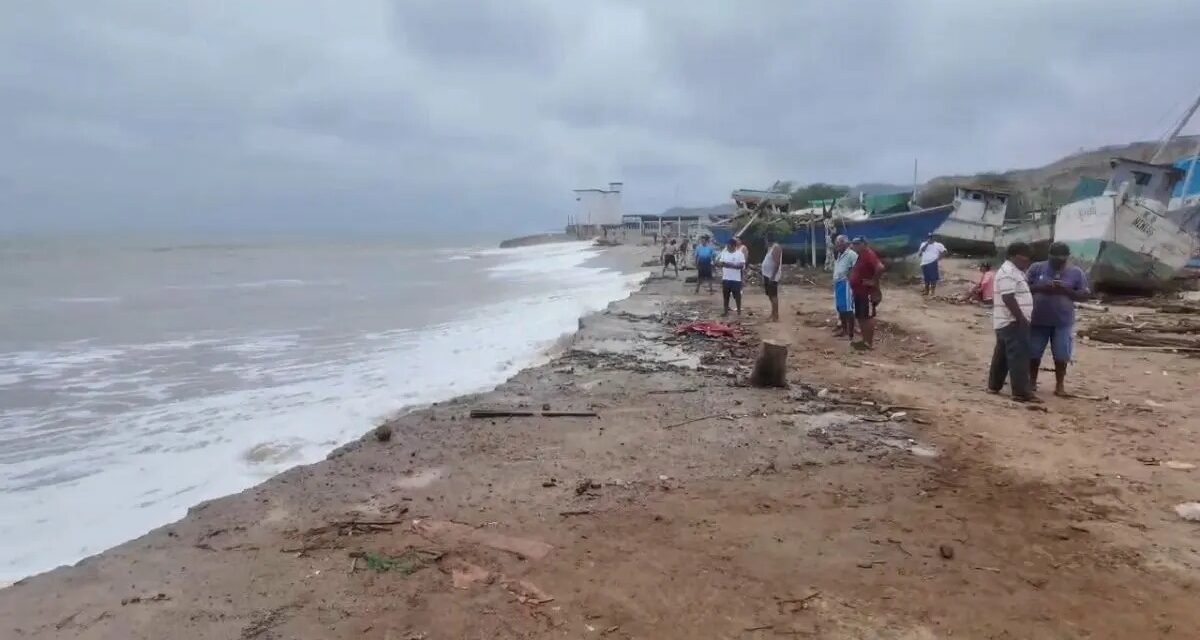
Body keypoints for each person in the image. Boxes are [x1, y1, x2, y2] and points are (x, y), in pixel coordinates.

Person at [1026, 242, 1090, 396]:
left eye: (1062, 259)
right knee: (1033, 353)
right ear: (1049, 256)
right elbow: (1023, 288)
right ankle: (1031, 382)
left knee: (1062, 355)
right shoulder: (1036, 268)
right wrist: (1042, 287)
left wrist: (1066, 290)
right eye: (1055, 259)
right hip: (1038, 319)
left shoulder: (1076, 272)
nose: (1059, 262)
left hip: (1063, 321)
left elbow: (1085, 296)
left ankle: (1059, 385)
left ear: (1067, 258)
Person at [987, 242, 1038, 402]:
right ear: (1014, 256)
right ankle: (1021, 392)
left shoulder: (1014, 271)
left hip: (1006, 321)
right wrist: (1021, 318)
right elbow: (1008, 297)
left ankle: (994, 385)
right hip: (1012, 321)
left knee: (1002, 355)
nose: (1027, 261)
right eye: (1025, 257)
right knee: (1019, 356)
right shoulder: (1008, 272)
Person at [848, 236, 884, 349]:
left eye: (857, 243)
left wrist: (873, 281)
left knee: (867, 317)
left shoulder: (869, 254)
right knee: (861, 316)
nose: (855, 246)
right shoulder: (861, 255)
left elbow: (880, 267)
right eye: (853, 244)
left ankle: (868, 342)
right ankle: (864, 341)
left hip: (866, 292)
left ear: (864, 244)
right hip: (858, 292)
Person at [831, 235, 858, 340]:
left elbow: (856, 268)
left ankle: (850, 334)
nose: (837, 245)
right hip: (838, 283)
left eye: (839, 243)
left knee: (848, 308)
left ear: (845, 244)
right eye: (836, 243)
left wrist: (849, 278)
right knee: (840, 308)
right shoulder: (839, 254)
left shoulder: (851, 254)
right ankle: (844, 330)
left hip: (846, 283)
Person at [717, 238, 746, 316]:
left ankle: (739, 311)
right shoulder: (724, 253)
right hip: (726, 278)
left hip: (736, 279)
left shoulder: (740, 254)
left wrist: (728, 264)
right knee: (726, 296)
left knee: (737, 297)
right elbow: (720, 264)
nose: (728, 247)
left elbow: (741, 266)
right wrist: (733, 265)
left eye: (729, 245)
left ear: (734, 246)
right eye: (727, 245)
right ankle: (725, 311)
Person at [761, 233, 783, 322]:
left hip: (772, 276)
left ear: (768, 240)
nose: (764, 242)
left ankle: (776, 316)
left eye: (765, 240)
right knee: (770, 295)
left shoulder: (776, 248)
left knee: (773, 296)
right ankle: (773, 313)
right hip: (767, 275)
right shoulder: (770, 248)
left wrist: (772, 276)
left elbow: (777, 263)